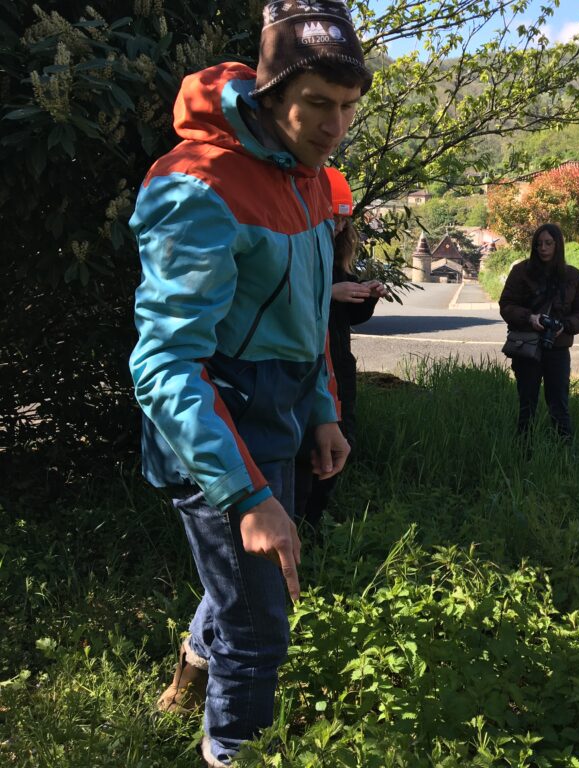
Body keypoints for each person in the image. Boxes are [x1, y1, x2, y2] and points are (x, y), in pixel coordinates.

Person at [128, 3, 372, 765]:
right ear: (271, 94)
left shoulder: (308, 175)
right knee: (262, 626)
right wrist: (247, 497)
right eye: (318, 104)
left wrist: (323, 410)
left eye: (348, 107)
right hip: (217, 434)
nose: (334, 127)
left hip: (279, 423)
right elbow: (163, 364)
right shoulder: (197, 186)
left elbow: (309, 315)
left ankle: (193, 667)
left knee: (245, 583)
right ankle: (234, 748)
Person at [294, 167, 388, 528]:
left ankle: (314, 521)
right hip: (305, 366)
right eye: (331, 219)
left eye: (342, 221)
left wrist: (368, 295)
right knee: (306, 448)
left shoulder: (335, 261)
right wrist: (330, 294)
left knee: (341, 438)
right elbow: (284, 304)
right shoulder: (293, 253)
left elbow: (352, 317)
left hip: (339, 367)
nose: (336, 228)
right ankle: (302, 522)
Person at [499, 223, 579, 439]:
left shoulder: (573, 276)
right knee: (526, 403)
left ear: (558, 245)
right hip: (527, 346)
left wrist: (564, 326)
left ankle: (563, 449)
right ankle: (523, 448)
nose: (543, 248)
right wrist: (529, 318)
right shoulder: (521, 272)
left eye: (548, 243)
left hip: (557, 348)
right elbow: (506, 305)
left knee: (559, 403)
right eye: (539, 244)